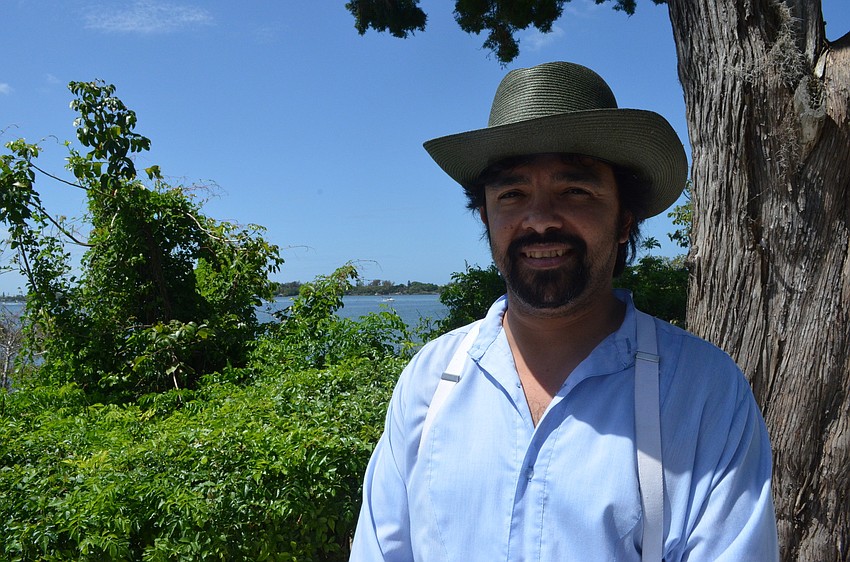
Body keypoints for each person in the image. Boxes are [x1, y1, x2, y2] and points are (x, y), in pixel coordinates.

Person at [350, 61, 779, 561]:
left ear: (624, 219)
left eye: (574, 191)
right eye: (512, 194)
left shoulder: (701, 394)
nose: (539, 220)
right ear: (486, 217)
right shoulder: (431, 383)